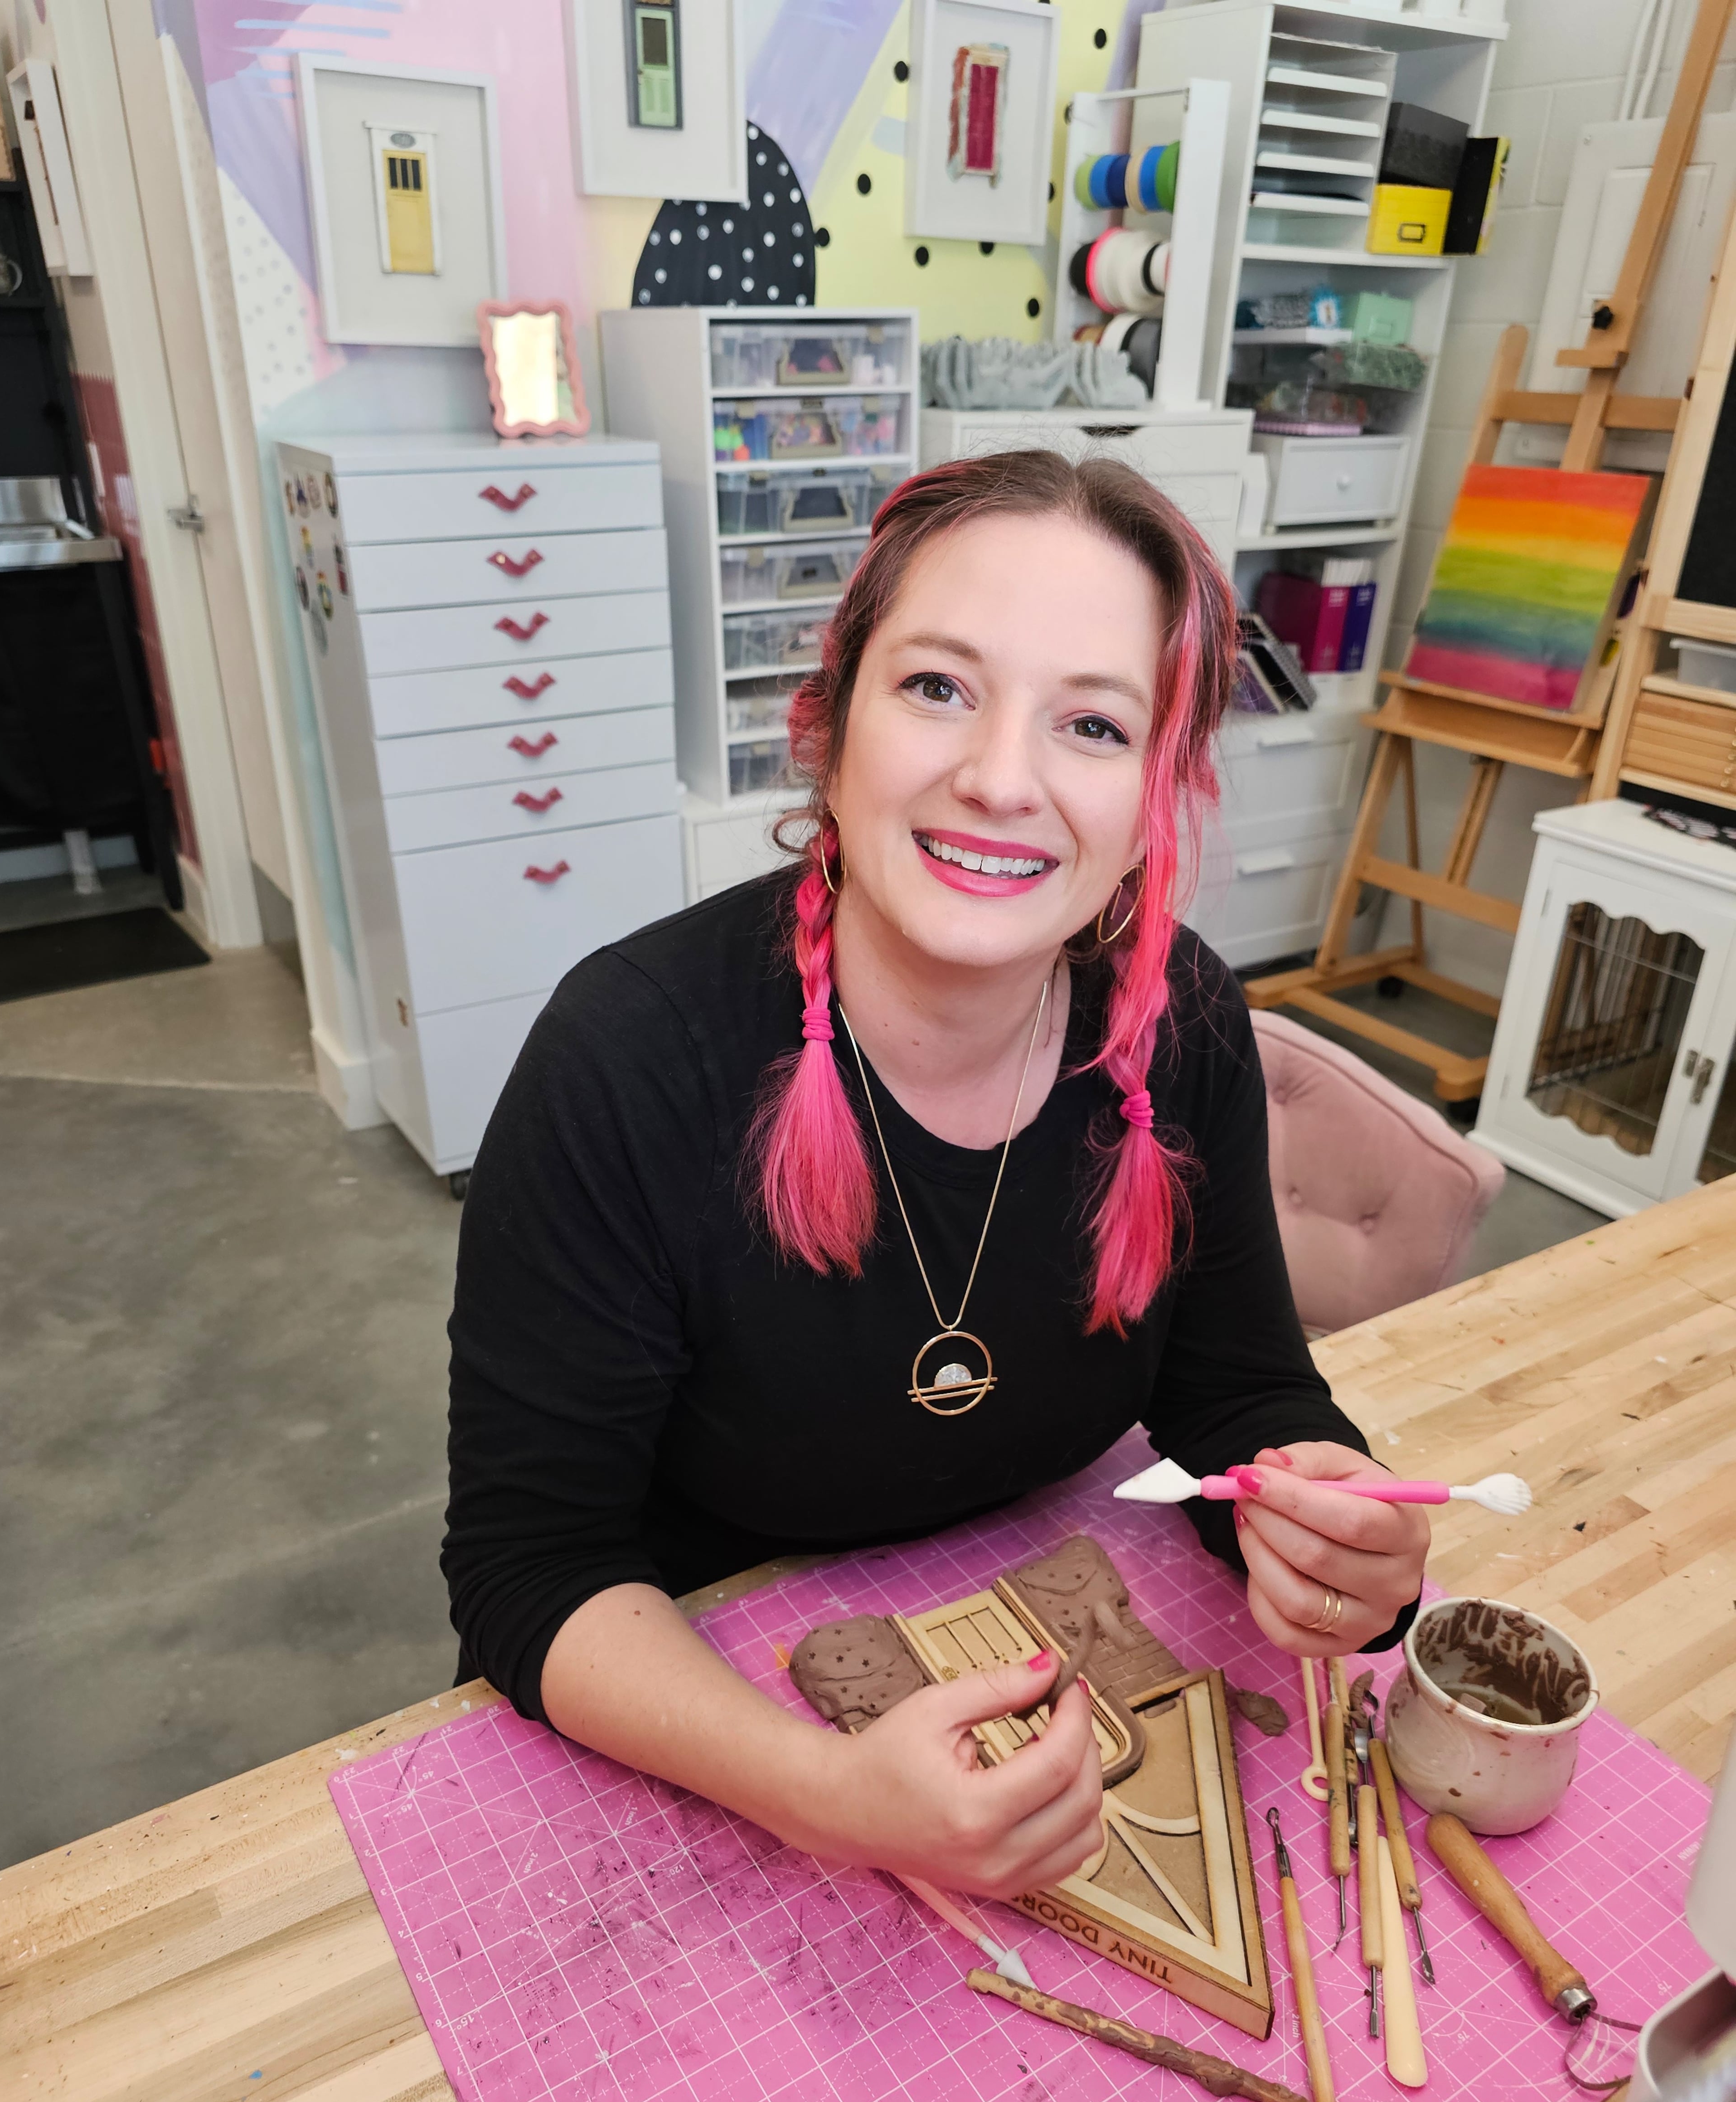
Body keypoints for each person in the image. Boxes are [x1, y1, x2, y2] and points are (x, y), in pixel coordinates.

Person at [442, 451, 1427, 1902]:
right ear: (830, 722)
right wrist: (827, 1799)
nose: (1001, 779)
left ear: (1157, 791)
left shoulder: (1185, 1024)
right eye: (939, 689)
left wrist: (1323, 1515)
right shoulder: (626, 1062)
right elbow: (532, 1570)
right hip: (712, 1682)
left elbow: (1238, 1398)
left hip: (1039, 1621)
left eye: (1092, 723)